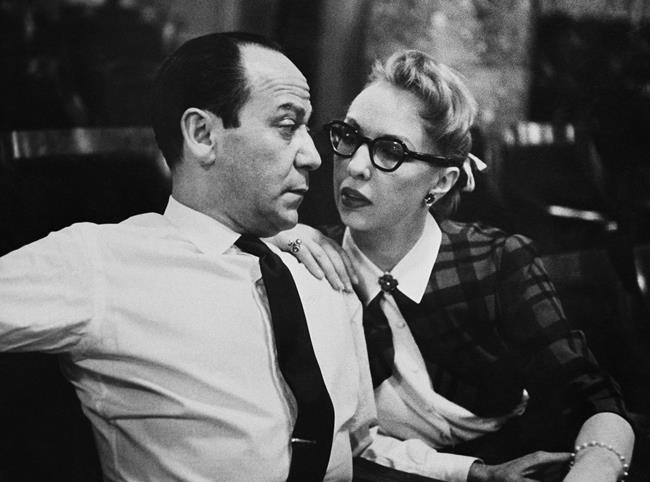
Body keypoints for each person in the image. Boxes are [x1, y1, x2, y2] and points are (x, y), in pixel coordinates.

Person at [0, 32, 453, 482]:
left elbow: (357, 447)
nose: (314, 156)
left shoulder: (320, 268)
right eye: (287, 125)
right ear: (203, 135)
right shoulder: (102, 264)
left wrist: (470, 473)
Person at [270, 49, 635, 482]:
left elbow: (592, 397)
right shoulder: (312, 260)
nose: (357, 166)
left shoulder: (497, 262)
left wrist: (595, 467)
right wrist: (275, 239)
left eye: (390, 150)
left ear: (441, 181)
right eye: (349, 136)